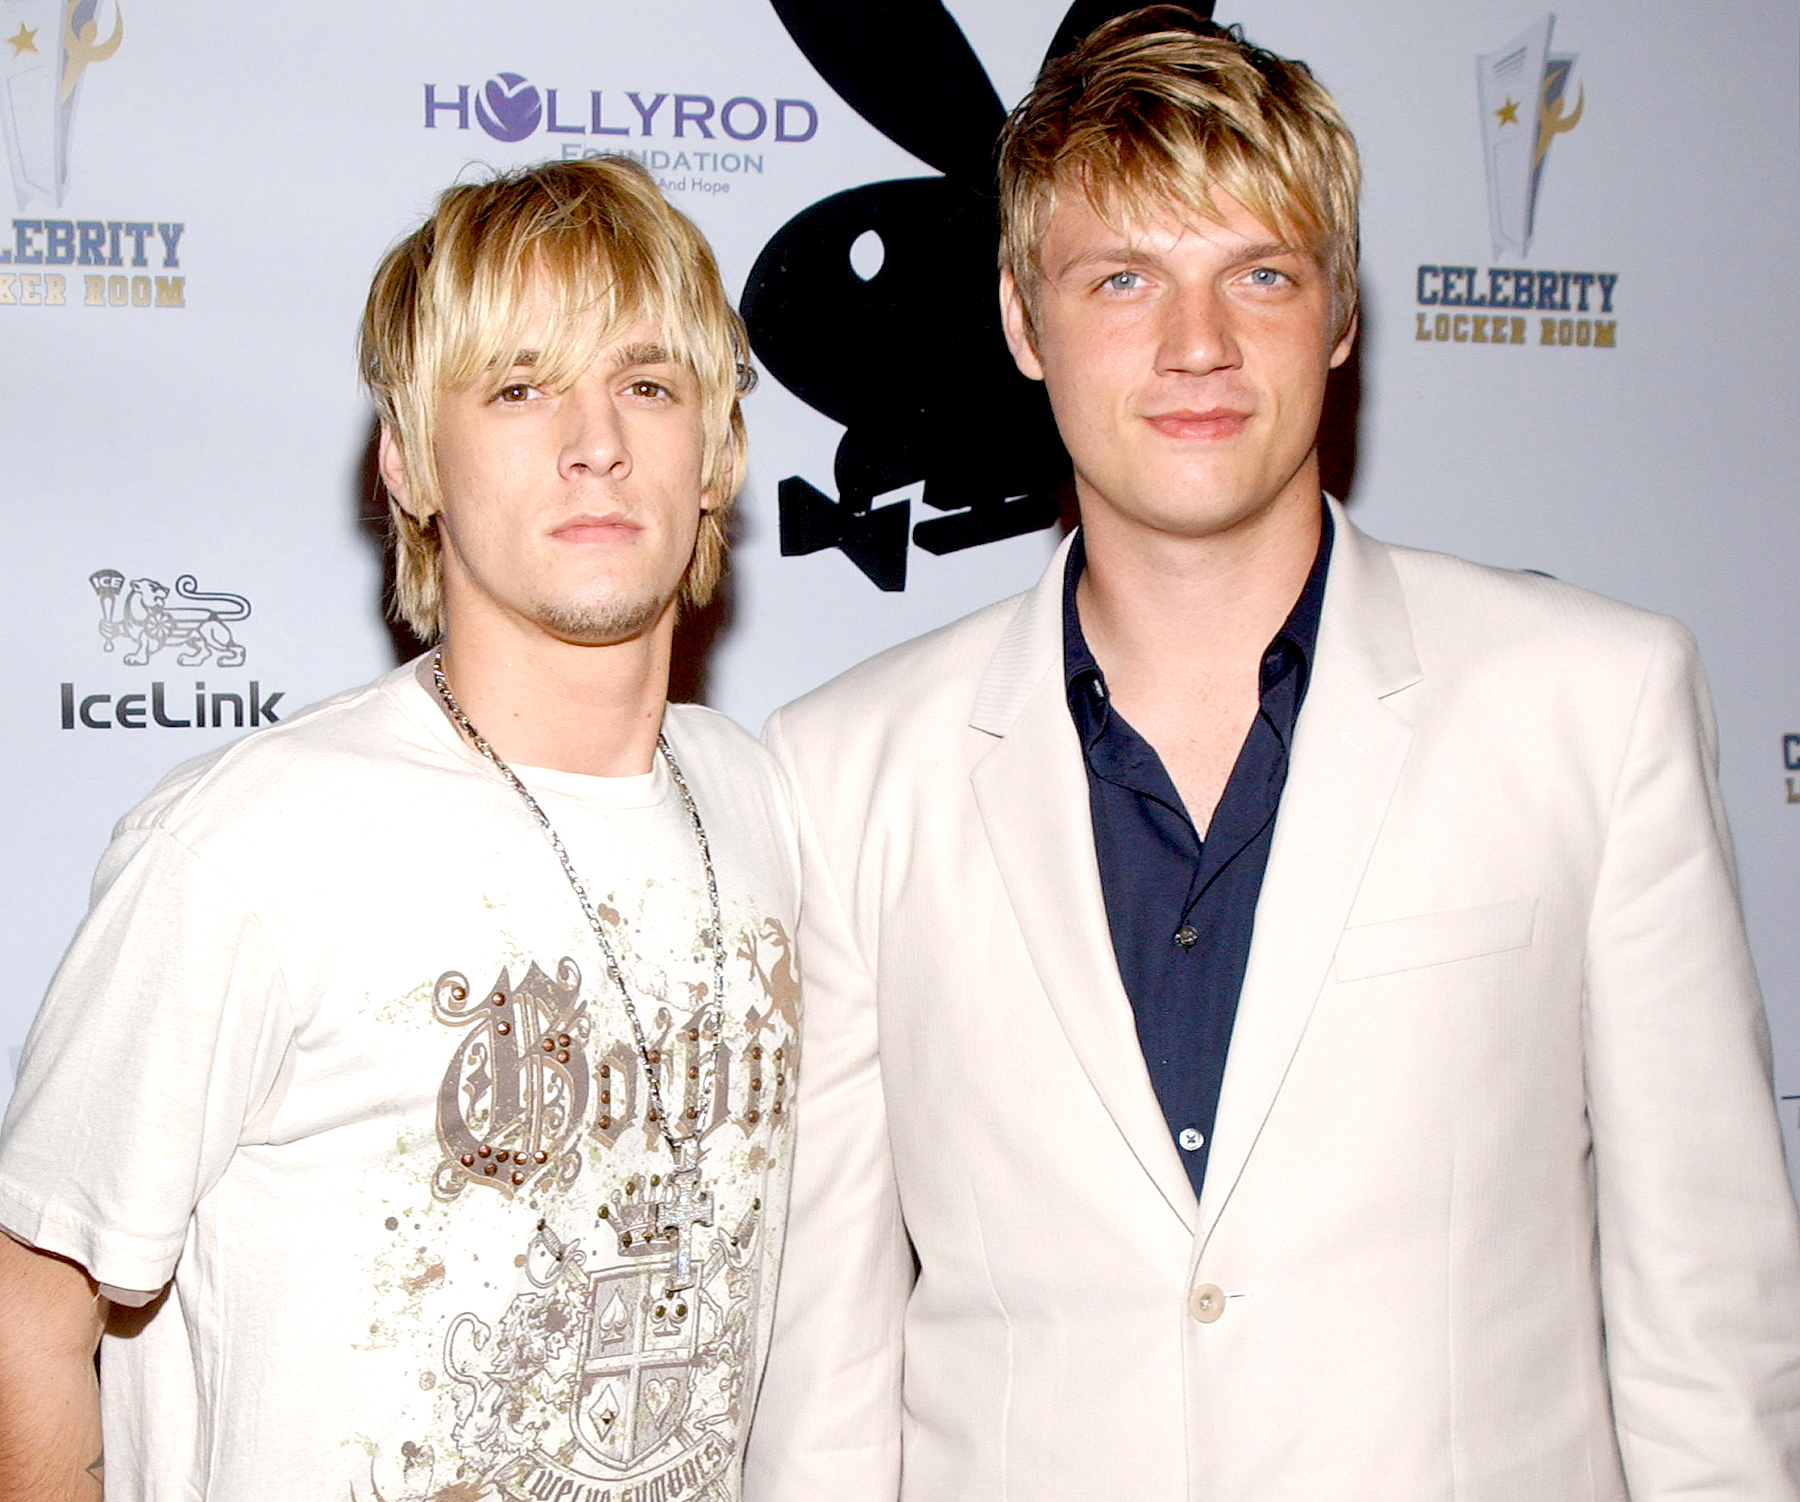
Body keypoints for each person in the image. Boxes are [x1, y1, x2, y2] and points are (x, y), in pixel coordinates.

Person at [744, 10, 1800, 1500]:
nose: (1199, 346)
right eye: (1124, 279)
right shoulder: (846, 772)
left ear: (1341, 313)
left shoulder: (1593, 707)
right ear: (1022, 321)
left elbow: (1713, 1329)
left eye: (1261, 273)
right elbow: (829, 1387)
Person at [0, 156, 800, 1502]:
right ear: (411, 461)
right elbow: (33, 1301)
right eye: (518, 384)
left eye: (648, 383)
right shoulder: (250, 847)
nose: (594, 439)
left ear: (717, 454)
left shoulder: (766, 803)